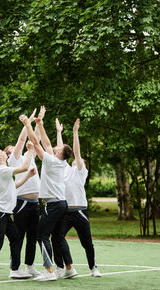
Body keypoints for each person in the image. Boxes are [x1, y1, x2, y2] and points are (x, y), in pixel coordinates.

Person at [19, 107, 77, 282]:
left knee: (41, 235)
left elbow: (36, 143)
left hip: (53, 204)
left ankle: (49, 271)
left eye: (57, 148)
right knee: (58, 237)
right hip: (62, 203)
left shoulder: (51, 161)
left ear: (58, 154)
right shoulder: (60, 162)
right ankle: (69, 268)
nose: (54, 147)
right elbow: (46, 142)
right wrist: (40, 124)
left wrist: (28, 124)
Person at [0, 141, 36, 283]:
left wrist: (27, 177)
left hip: (4, 212)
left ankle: (15, 270)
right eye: (1, 152)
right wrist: (29, 150)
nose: (4, 152)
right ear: (0, 158)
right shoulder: (1, 170)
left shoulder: (3, 171)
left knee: (15, 238)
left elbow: (13, 185)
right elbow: (25, 166)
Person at [54, 118, 101, 278]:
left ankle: (93, 267)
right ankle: (62, 268)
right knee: (57, 237)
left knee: (86, 243)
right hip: (66, 212)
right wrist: (59, 132)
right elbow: (60, 152)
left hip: (80, 211)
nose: (76, 160)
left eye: (79, 161)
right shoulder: (65, 169)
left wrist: (75, 133)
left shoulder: (81, 172)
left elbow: (77, 152)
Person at [4, 108, 42, 277]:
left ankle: (30, 265)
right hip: (22, 203)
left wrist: (38, 123)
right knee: (18, 236)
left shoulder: (29, 157)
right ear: (8, 154)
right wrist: (26, 123)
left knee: (33, 237)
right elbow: (21, 140)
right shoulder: (13, 160)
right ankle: (14, 268)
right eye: (11, 149)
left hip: (35, 203)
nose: (15, 149)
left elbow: (36, 141)